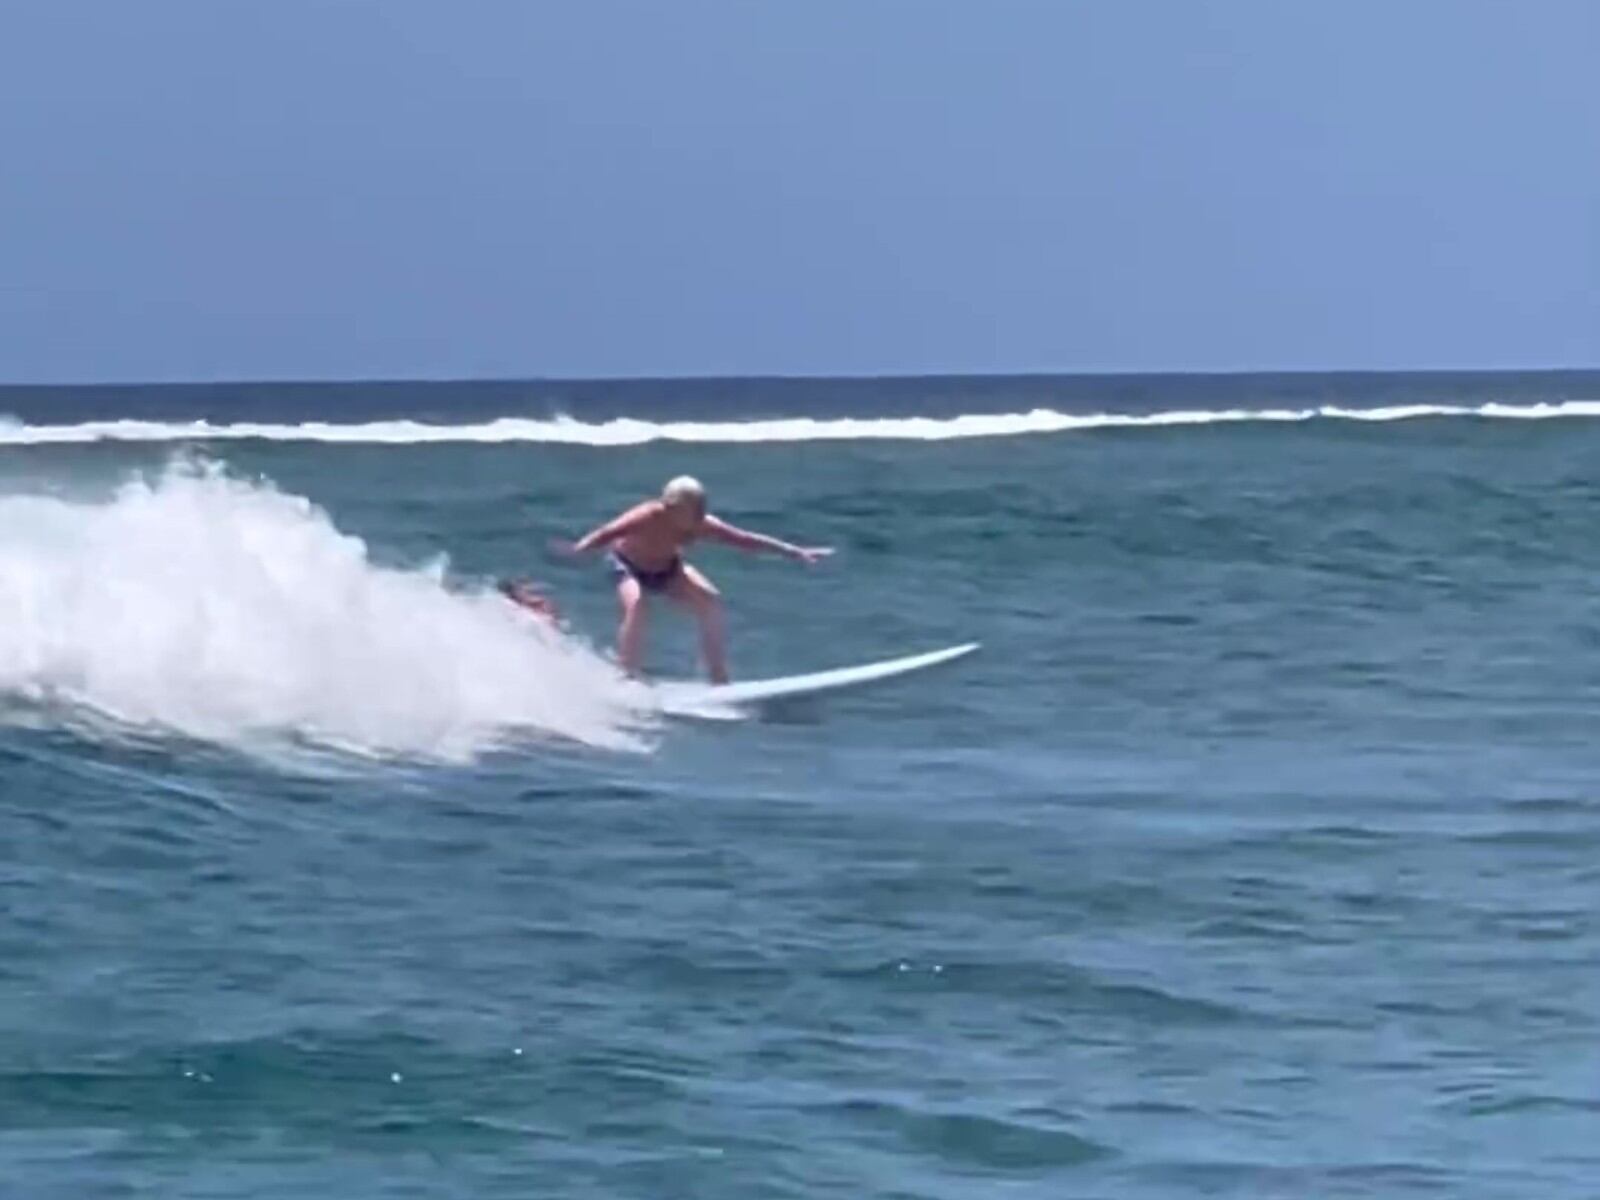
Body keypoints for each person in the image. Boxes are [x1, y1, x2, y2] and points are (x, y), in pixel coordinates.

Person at [559, 476, 831, 683]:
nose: (697, 517)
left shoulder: (702, 524)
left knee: (710, 600)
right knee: (638, 604)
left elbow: (745, 540)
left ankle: (718, 677)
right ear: (670, 507)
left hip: (667, 570)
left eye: (700, 510)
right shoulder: (647, 516)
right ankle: (627, 673)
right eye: (691, 511)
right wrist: (578, 550)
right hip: (626, 567)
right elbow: (607, 533)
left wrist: (796, 552)